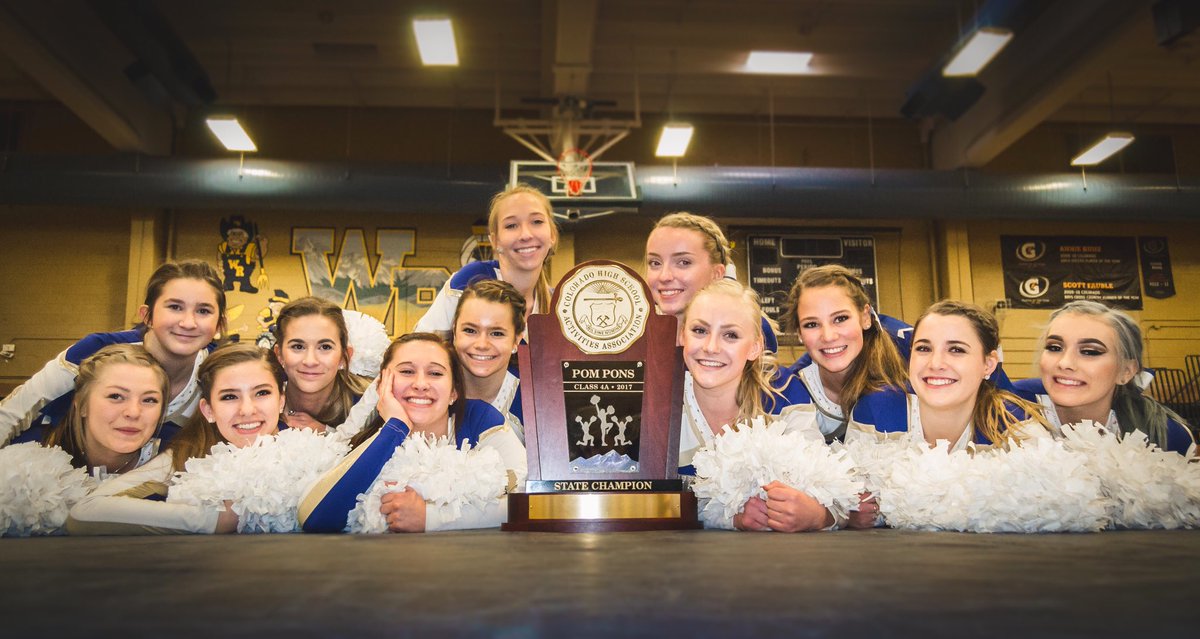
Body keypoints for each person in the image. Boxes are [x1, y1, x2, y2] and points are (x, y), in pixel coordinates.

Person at [298, 333, 526, 533]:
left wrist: (431, 517)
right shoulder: (368, 436)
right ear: (382, 385)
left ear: (454, 392)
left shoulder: (479, 420)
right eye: (407, 371)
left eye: (435, 373)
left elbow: (537, 502)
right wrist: (395, 428)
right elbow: (315, 519)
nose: (420, 384)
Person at [66, 343, 287, 535]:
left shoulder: (310, 450)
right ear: (208, 410)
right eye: (229, 396)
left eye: (262, 393)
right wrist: (212, 520)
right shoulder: (190, 452)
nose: (247, 410)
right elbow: (84, 511)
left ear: (281, 401)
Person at [2, 260, 226, 447]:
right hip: (53, 471)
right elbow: (13, 412)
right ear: (147, 315)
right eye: (175, 307)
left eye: (203, 311)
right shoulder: (96, 349)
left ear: (219, 324)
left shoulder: (220, 371)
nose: (188, 322)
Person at [678, 280, 832, 533]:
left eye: (731, 335)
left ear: (755, 347)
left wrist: (819, 516)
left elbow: (833, 489)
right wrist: (730, 518)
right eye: (699, 330)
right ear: (682, 334)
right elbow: (642, 502)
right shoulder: (658, 402)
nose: (711, 347)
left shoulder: (785, 396)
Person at [850, 300, 1050, 452]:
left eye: (956, 350)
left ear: (988, 365)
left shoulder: (1013, 425)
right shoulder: (876, 410)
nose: (936, 363)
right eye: (923, 348)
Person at [1013, 300, 1195, 455]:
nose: (1065, 363)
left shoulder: (1166, 437)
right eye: (1054, 347)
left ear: (1126, 372)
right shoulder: (1005, 416)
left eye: (1090, 351)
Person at [779, 265, 909, 441]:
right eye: (811, 324)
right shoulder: (788, 391)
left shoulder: (911, 360)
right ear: (799, 334)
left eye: (840, 319)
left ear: (865, 317)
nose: (828, 336)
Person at [414, 184, 559, 335]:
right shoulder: (470, 280)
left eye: (537, 222)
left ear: (552, 235)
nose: (526, 235)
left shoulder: (561, 303)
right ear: (495, 241)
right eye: (511, 225)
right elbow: (419, 349)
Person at [644, 212, 779, 352]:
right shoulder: (635, 335)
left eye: (683, 262)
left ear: (717, 274)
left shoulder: (747, 330)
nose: (664, 276)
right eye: (655, 263)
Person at [41, 344, 167, 476]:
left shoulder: (179, 469)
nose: (133, 412)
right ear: (82, 404)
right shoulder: (33, 460)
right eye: (115, 396)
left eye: (149, 400)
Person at [272, 297, 371, 433]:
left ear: (344, 356)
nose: (310, 361)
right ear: (279, 355)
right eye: (298, 346)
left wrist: (326, 432)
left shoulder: (370, 404)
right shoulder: (260, 402)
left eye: (325, 347)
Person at [450, 280, 527, 440]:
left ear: (516, 340)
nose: (482, 344)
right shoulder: (429, 391)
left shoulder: (534, 402)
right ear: (454, 332)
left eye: (497, 333)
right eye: (470, 330)